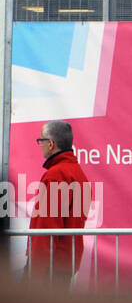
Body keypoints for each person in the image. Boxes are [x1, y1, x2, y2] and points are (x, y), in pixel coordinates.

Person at [27, 120, 91, 289]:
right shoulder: (78, 173)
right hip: (65, 261)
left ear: (51, 144)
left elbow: (47, 227)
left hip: (50, 265)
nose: (39, 145)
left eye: (41, 140)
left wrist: (36, 270)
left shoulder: (56, 175)